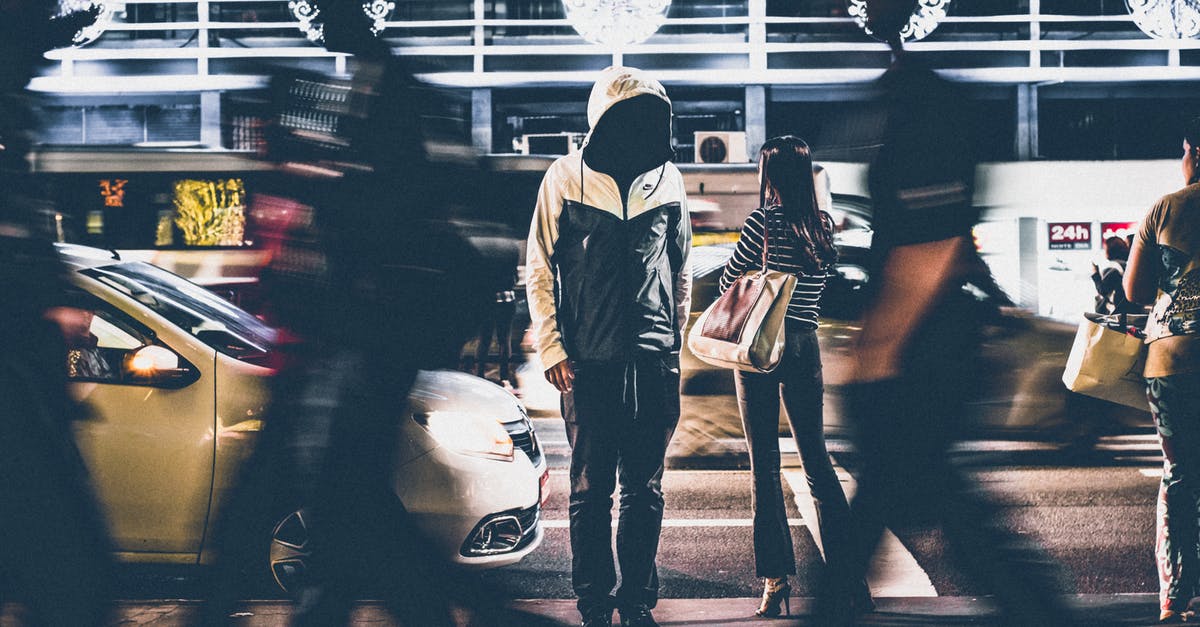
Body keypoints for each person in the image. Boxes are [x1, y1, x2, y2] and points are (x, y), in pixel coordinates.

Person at [814, 4, 1077, 624]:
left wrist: (876, 354)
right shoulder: (917, 100)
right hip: (933, 347)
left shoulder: (921, 110)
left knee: (909, 506)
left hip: (922, 355)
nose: (837, 10)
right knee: (937, 511)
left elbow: (932, 244)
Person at [526, 65, 691, 627]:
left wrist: (672, 341)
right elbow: (539, 265)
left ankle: (638, 601)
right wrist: (552, 346)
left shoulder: (668, 178)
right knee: (591, 489)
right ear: (601, 119)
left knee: (644, 489)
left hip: (652, 359)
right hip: (588, 361)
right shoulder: (564, 177)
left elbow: (681, 266)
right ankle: (594, 603)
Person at [717, 136, 868, 618]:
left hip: (761, 348)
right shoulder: (821, 228)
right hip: (805, 345)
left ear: (770, 176)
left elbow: (729, 283)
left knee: (764, 466)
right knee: (817, 465)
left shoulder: (762, 224)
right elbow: (821, 285)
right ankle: (851, 579)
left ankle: (776, 581)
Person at [1124, 117, 1200, 624]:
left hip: (1174, 361)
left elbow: (1133, 291)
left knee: (1181, 477)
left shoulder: (1165, 208)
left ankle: (1175, 595)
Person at [1092, 235, 1140, 315]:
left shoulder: (1113, 267)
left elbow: (1103, 290)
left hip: (1116, 312)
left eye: (1105, 249)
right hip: (1129, 309)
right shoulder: (1126, 265)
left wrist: (1095, 273)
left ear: (1110, 250)